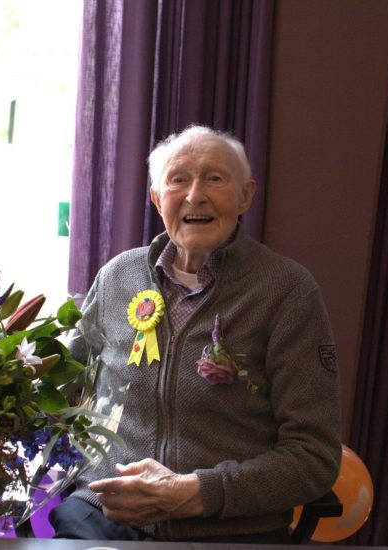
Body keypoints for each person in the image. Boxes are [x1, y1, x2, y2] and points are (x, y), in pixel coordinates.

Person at [51, 125, 341, 543]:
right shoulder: (118, 277)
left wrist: (194, 493)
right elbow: (63, 393)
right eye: (178, 179)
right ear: (156, 198)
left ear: (245, 196)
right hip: (101, 517)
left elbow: (314, 457)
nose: (195, 195)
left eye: (215, 178)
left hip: (226, 530)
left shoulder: (287, 291)